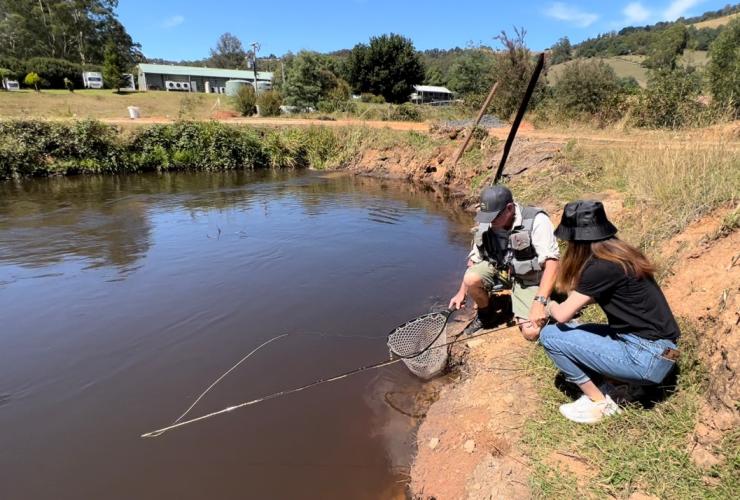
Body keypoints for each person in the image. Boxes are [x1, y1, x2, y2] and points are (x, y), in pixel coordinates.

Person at [540, 200, 681, 424]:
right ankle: (620, 383)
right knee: (576, 329)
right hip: (662, 349)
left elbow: (561, 315)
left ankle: (599, 401)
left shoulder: (599, 268)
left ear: (578, 241)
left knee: (550, 335)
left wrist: (545, 304)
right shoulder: (620, 255)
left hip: (646, 357)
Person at [448, 185, 560, 339]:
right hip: (499, 271)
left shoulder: (537, 220)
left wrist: (539, 302)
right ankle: (486, 315)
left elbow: (552, 264)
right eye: (486, 217)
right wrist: (461, 292)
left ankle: (538, 305)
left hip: (527, 279)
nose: (490, 222)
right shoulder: (487, 221)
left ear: (509, 208)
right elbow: (474, 260)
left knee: (531, 332)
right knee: (470, 278)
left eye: (494, 217)